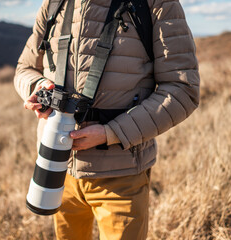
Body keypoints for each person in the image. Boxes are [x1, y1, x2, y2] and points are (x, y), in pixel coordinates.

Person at [14, 0, 200, 239]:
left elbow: (182, 89)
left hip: (120, 174)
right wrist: (38, 88)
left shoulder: (157, 3)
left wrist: (111, 133)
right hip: (57, 168)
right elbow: (24, 69)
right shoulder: (54, 3)